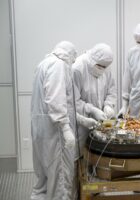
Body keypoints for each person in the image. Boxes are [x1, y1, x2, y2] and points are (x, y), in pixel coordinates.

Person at [30, 41, 78, 200]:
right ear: (69, 55)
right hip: (55, 131)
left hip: (42, 129)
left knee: (44, 176)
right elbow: (56, 99)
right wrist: (65, 128)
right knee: (60, 176)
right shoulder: (58, 65)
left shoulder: (44, 63)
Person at [72, 43, 116, 153]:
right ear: (92, 59)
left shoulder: (106, 67)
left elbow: (112, 91)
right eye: (99, 66)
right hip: (81, 124)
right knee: (82, 155)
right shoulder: (77, 68)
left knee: (98, 156)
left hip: (101, 125)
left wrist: (108, 105)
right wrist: (92, 110)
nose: (101, 69)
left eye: (104, 67)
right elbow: (73, 101)